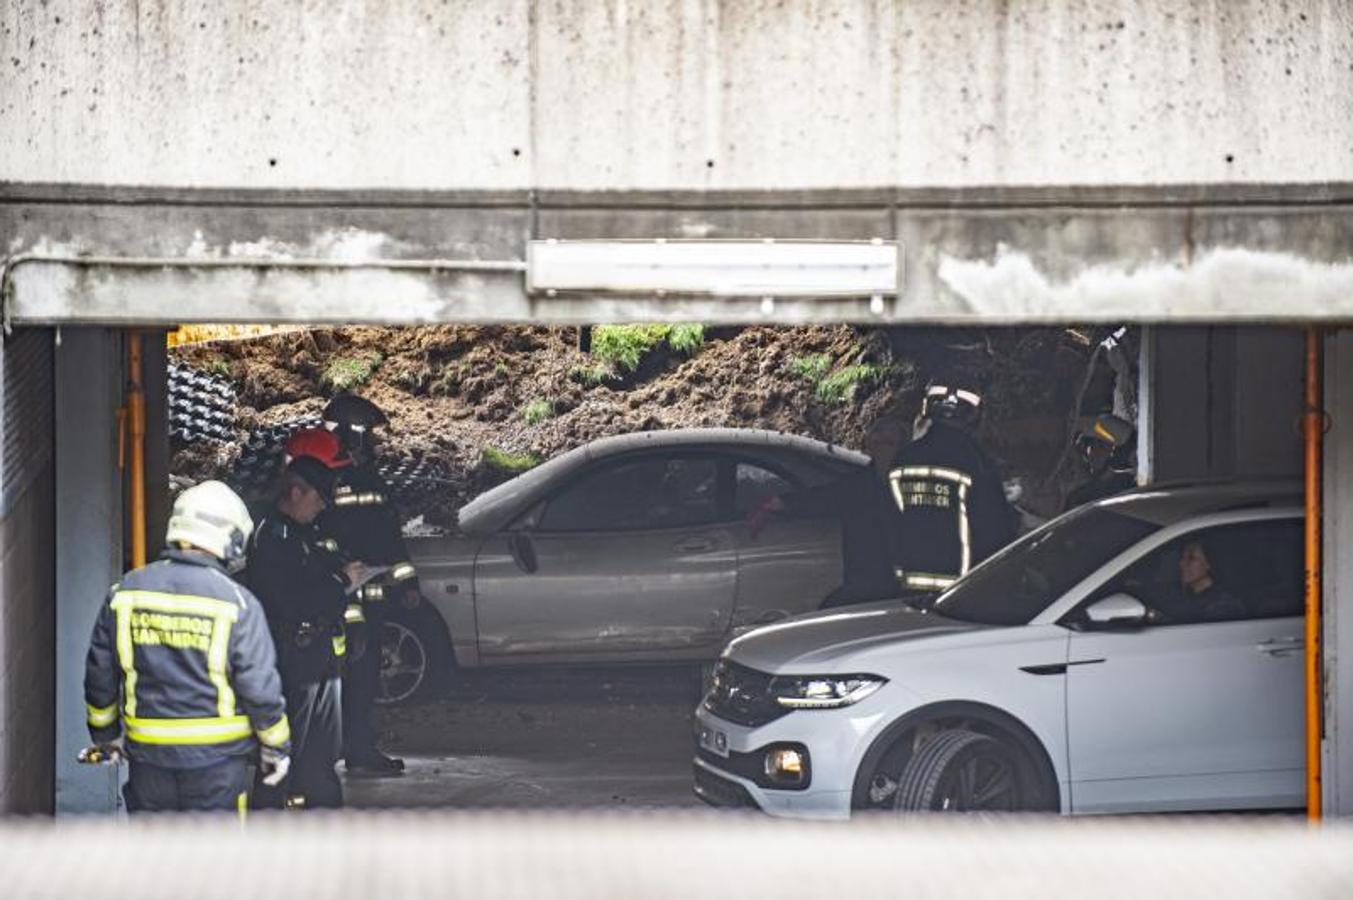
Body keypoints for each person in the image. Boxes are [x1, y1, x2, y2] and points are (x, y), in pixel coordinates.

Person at [83, 481, 291, 814]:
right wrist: (276, 746)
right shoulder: (237, 602)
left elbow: (99, 675)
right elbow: (259, 687)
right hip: (217, 761)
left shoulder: (127, 592)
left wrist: (105, 735)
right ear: (231, 538)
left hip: (148, 758)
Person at [247, 457, 365, 809]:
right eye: (319, 496)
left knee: (321, 757)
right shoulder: (272, 536)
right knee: (282, 754)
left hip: (317, 661)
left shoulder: (302, 534)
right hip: (291, 662)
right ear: (296, 492)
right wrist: (342, 581)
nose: (323, 504)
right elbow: (291, 598)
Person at [320, 393, 419, 777]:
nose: (374, 443)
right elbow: (329, 540)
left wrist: (409, 582)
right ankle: (349, 749)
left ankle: (358, 747)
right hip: (345, 601)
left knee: (362, 679)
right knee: (347, 680)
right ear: (355, 437)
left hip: (369, 598)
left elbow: (389, 538)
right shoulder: (334, 481)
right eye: (370, 437)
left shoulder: (366, 479)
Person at [886, 377, 1017, 594]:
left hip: (907, 583)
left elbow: (890, 518)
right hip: (961, 591)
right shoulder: (976, 462)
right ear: (974, 415)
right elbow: (994, 527)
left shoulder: (904, 458)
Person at [1151, 540, 1246, 624]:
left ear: (1209, 563)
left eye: (1191, 558)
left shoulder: (1223, 606)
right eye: (1182, 558)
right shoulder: (1182, 597)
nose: (1182, 563)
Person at [1066, 413, 1136, 509]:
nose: (1098, 452)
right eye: (1095, 446)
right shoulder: (1079, 496)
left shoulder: (1127, 484)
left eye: (1102, 446)